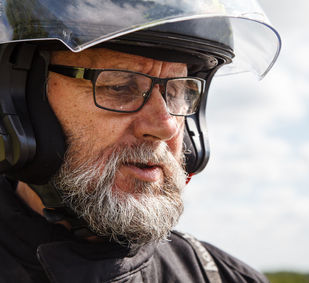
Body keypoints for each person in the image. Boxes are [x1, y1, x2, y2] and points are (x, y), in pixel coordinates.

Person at [0, 0, 281, 282]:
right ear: (21, 104)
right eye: (120, 87)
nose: (166, 126)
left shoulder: (224, 277)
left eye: (177, 92)